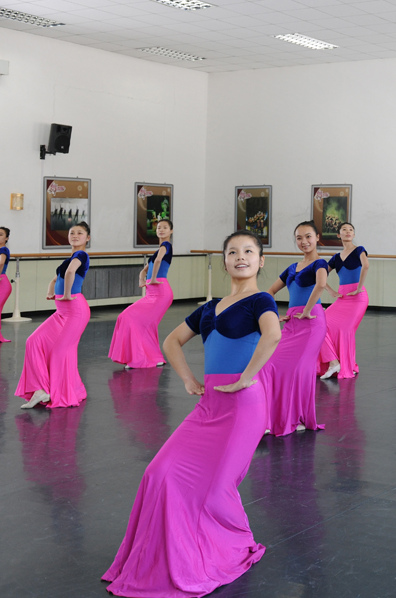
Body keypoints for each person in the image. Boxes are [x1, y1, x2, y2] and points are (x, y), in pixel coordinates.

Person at [103, 231, 282, 598]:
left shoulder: (261, 299)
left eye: (249, 251)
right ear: (224, 261)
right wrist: (188, 379)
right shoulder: (209, 307)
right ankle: (166, 552)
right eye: (233, 252)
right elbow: (171, 341)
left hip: (243, 408)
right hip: (209, 405)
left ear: (260, 261)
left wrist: (247, 377)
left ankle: (223, 546)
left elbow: (273, 335)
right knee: (159, 473)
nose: (241, 257)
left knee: (214, 488)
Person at [16, 222, 92, 409]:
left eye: (80, 233)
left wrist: (65, 294)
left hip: (75, 311)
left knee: (60, 351)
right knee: (34, 341)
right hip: (62, 311)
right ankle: (40, 390)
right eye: (72, 233)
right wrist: (51, 290)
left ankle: (63, 392)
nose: (75, 235)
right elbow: (58, 276)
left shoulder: (81, 255)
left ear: (87, 238)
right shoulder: (71, 257)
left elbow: (70, 272)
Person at [264, 221, 329, 435]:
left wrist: (307, 310)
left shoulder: (320, 263)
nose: (304, 241)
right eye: (299, 238)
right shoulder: (292, 267)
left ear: (317, 237)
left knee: (299, 370)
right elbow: (269, 292)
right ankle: (278, 416)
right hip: (292, 322)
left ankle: (298, 417)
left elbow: (321, 284)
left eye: (308, 236)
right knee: (272, 363)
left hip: (312, 323)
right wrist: (273, 315)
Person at [109, 218, 174, 369]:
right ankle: (148, 357)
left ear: (171, 231)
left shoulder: (166, 245)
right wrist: (142, 277)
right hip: (152, 293)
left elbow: (158, 262)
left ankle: (147, 357)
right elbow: (145, 269)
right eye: (159, 227)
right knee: (137, 321)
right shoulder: (158, 250)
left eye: (165, 227)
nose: (161, 230)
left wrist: (152, 278)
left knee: (132, 318)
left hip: (161, 293)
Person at [319, 222, 368, 380]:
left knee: (346, 331)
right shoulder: (336, 258)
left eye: (351, 230)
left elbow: (366, 266)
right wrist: (330, 290)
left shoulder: (359, 250)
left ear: (353, 234)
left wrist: (359, 288)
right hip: (342, 298)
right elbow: (319, 276)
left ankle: (348, 365)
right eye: (344, 230)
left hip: (358, 298)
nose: (348, 232)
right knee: (320, 324)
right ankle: (334, 362)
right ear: (338, 235)